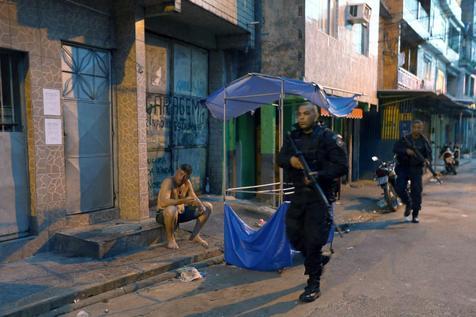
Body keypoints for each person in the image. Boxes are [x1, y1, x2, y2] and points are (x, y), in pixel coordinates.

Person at [278, 101, 348, 303]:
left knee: (313, 239)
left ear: (316, 116)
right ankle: (316, 259)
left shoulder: (329, 138)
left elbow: (342, 167)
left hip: (320, 195)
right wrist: (291, 161)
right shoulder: (293, 138)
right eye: (299, 113)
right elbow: (281, 158)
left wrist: (320, 175)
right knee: (294, 235)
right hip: (299, 194)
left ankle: (313, 282)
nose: (301, 117)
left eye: (306, 113)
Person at [157, 164, 212, 249]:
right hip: (164, 214)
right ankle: (170, 239)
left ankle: (195, 236)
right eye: (180, 174)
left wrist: (200, 205)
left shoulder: (187, 183)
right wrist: (182, 201)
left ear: (188, 176)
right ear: (177, 171)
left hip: (179, 214)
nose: (181, 178)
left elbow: (194, 197)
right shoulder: (168, 182)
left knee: (208, 207)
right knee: (171, 209)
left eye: (185, 176)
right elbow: (163, 203)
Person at [393, 120, 432, 223]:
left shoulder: (424, 141)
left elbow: (428, 155)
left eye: (419, 127)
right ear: (412, 128)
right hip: (403, 167)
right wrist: (406, 151)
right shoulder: (405, 139)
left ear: (422, 129)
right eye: (415, 127)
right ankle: (408, 203)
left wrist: (427, 160)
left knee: (416, 191)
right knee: (399, 187)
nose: (416, 129)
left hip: (416, 168)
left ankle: (415, 215)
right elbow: (395, 148)